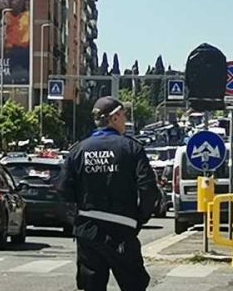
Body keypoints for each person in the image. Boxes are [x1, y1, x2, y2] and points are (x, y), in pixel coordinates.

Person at [58, 97, 160, 291]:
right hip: (122, 230)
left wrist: (77, 219)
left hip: (88, 231)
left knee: (92, 285)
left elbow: (63, 189)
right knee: (134, 284)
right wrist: (139, 219)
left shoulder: (79, 150)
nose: (125, 121)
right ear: (114, 118)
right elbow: (148, 188)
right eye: (123, 116)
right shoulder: (131, 148)